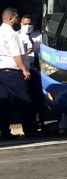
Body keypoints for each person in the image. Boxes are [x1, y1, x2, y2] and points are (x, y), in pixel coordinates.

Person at [0, 8, 36, 140]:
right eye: (16, 18)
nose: (17, 20)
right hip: (13, 72)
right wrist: (24, 69)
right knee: (25, 100)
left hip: (1, 72)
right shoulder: (12, 34)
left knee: (5, 102)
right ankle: (29, 130)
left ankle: (4, 131)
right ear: (11, 19)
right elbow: (16, 54)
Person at [18, 14, 45, 131]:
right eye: (25, 24)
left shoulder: (38, 35)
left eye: (30, 24)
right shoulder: (17, 36)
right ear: (21, 24)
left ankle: (40, 122)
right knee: (29, 96)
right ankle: (31, 122)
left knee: (40, 95)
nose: (28, 26)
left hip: (37, 66)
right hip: (26, 68)